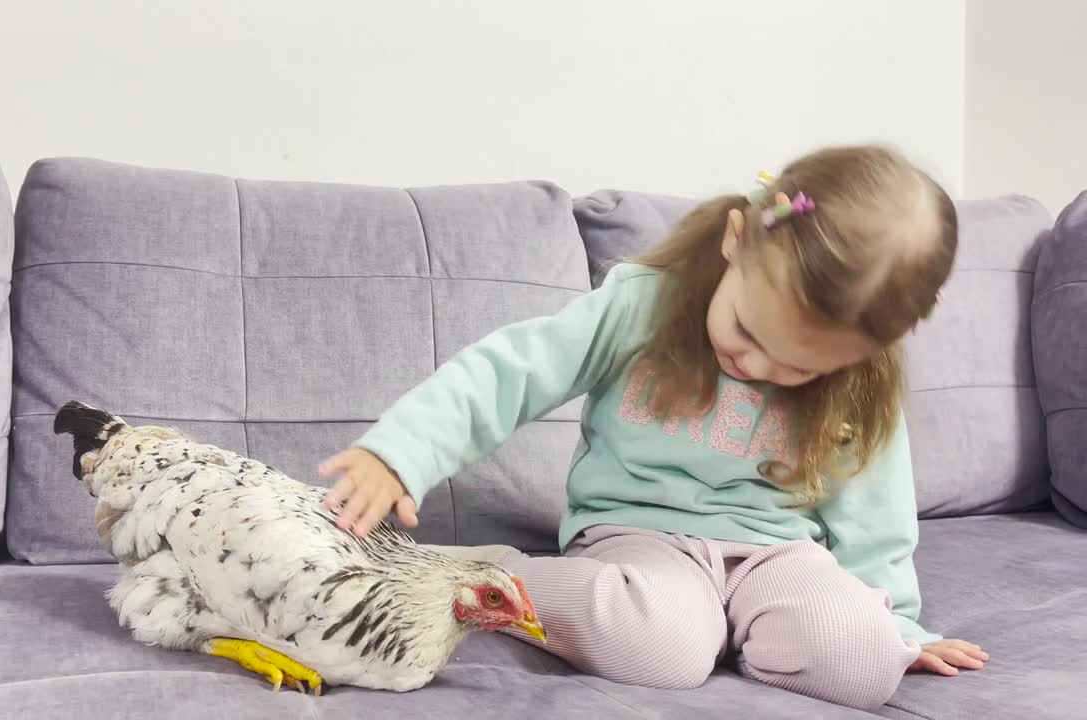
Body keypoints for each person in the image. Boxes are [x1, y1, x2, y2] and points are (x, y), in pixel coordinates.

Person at [319, 146, 987, 710]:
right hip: (641, 535)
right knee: (662, 650)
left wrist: (896, 619)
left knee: (865, 662)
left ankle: (738, 627)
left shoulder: (856, 382)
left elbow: (877, 510)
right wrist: (400, 453)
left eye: (798, 368)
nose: (758, 365)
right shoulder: (646, 303)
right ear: (735, 241)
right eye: (749, 332)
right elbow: (509, 373)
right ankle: (490, 575)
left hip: (778, 553)